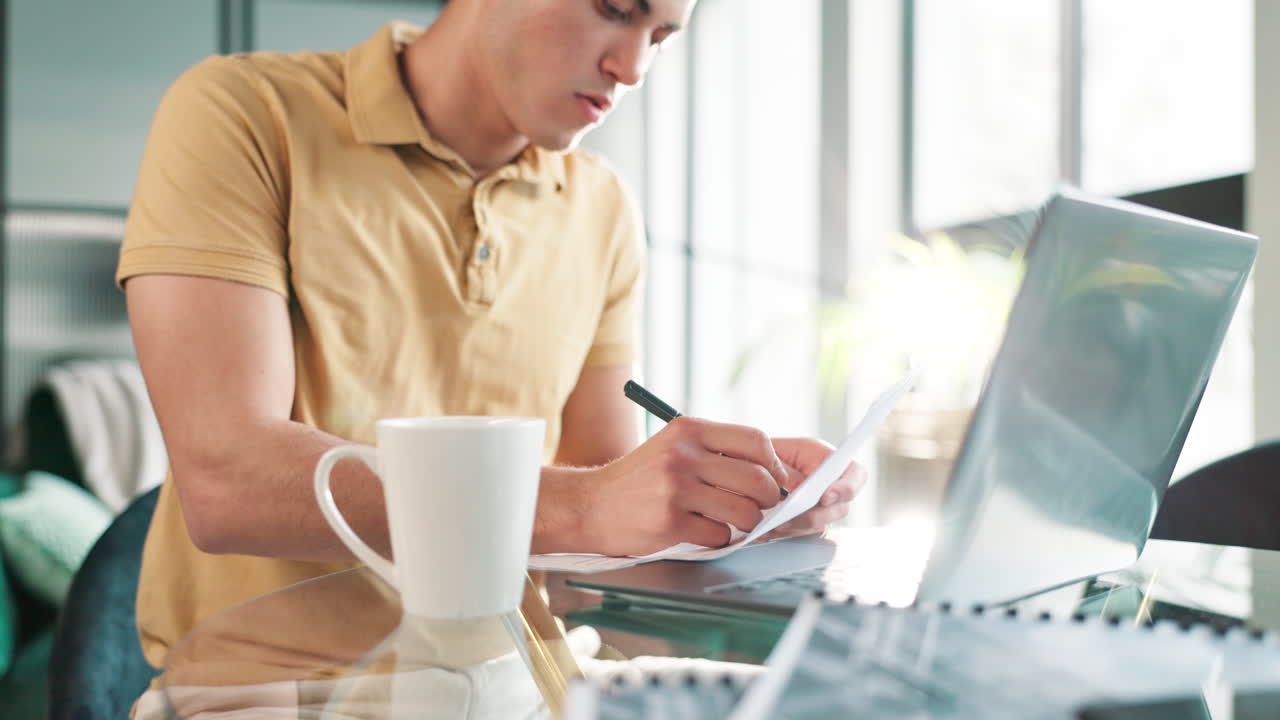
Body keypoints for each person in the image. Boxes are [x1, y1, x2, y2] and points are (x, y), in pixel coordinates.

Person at [119, 0, 863, 684]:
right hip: (274, 697)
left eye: (660, 37)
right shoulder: (244, 113)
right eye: (614, 9)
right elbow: (228, 484)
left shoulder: (601, 208)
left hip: (524, 688)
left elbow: (590, 553)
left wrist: (730, 518)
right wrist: (586, 506)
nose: (632, 68)